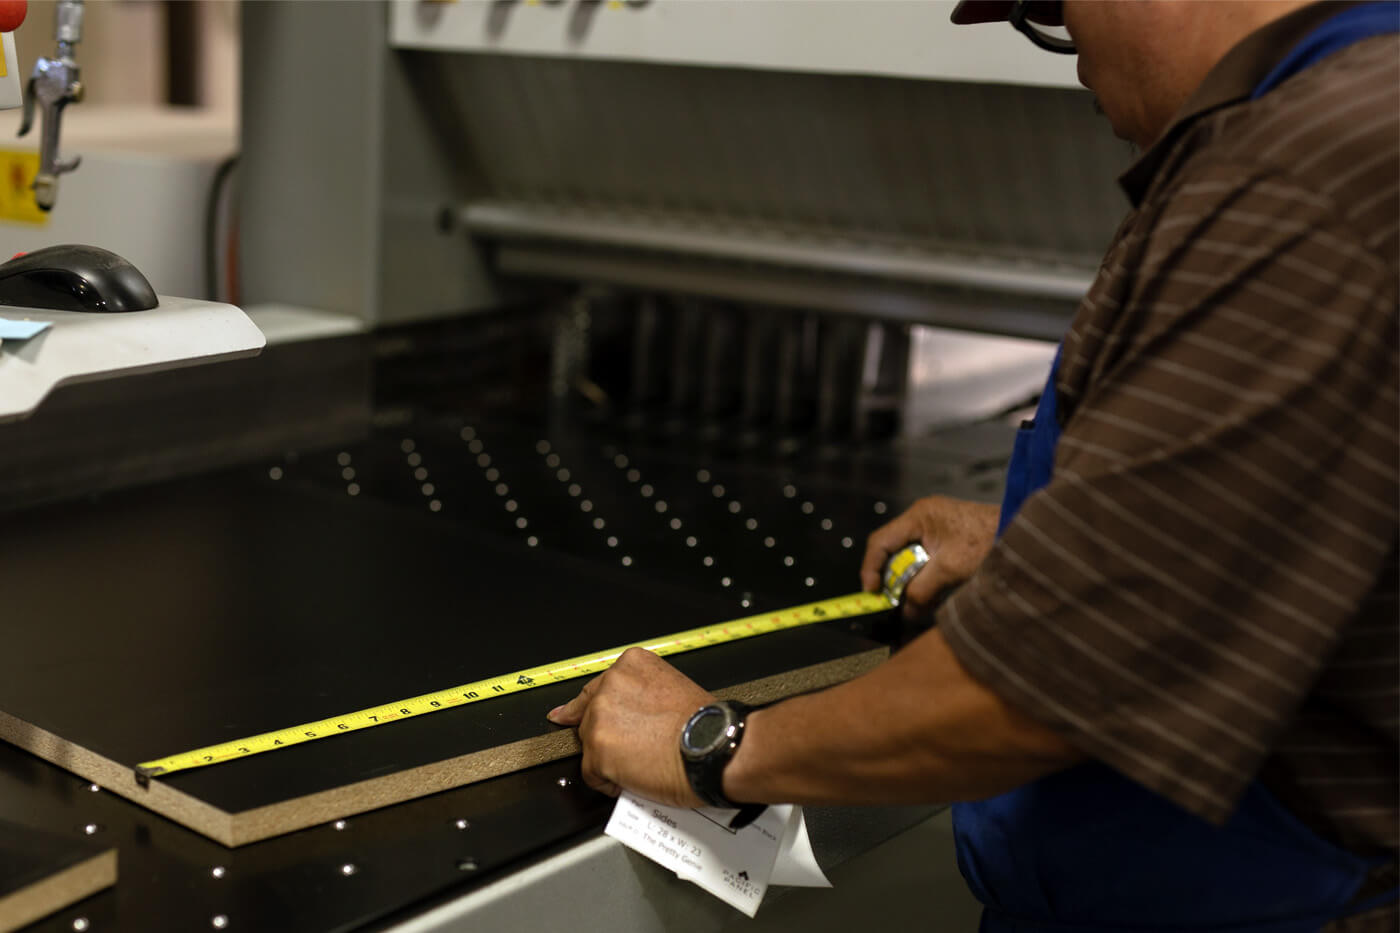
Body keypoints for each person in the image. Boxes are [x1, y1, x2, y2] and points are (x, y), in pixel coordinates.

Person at [547, 1, 1399, 928]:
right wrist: (1053, 541)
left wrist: (709, 745)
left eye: (1053, 11)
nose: (1071, 64)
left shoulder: (1309, 175)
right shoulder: (1337, 123)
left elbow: (1059, 675)